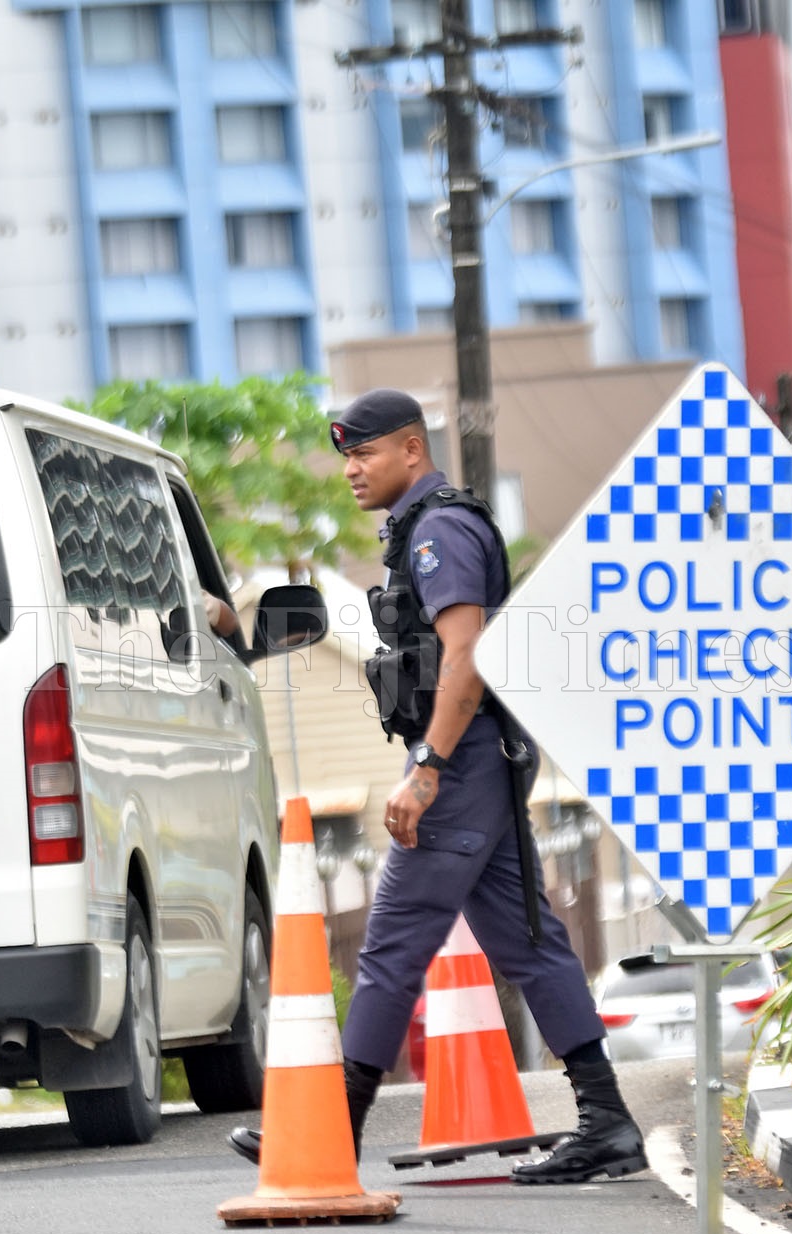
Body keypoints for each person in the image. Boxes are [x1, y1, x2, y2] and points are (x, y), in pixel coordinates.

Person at [229, 387, 647, 1185]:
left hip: (457, 764)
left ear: (412, 450)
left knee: (389, 946)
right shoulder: (426, 528)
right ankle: (609, 1122)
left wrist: (426, 770)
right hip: (476, 759)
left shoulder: (440, 532)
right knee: (529, 941)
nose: (352, 470)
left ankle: (327, 1128)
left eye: (366, 454)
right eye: (347, 456)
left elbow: (466, 658)